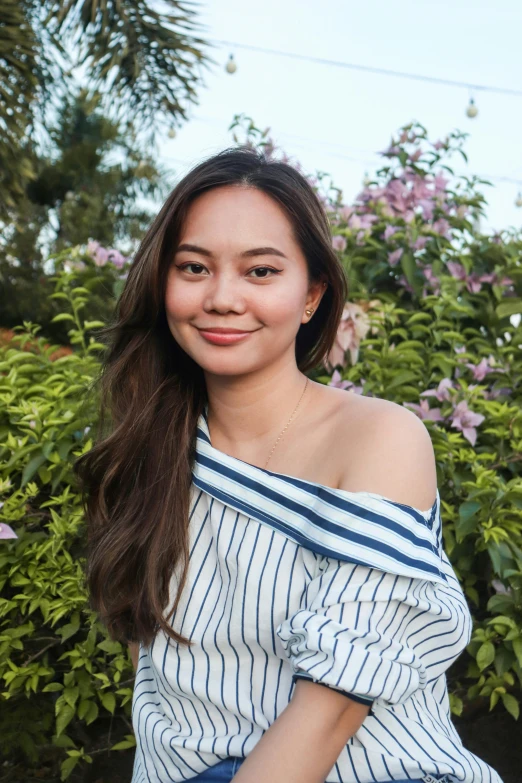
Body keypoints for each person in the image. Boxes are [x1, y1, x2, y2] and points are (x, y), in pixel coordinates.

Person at [74, 146, 502, 783]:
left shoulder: (380, 437)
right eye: (193, 266)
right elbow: (156, 673)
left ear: (312, 296)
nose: (221, 298)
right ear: (162, 283)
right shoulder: (151, 447)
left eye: (261, 272)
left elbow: (331, 708)